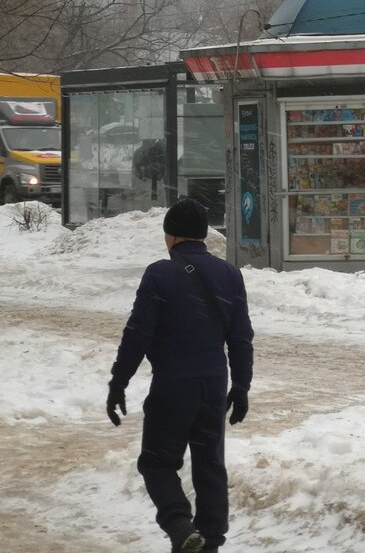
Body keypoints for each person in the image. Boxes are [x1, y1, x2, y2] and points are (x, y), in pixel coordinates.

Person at [106, 198, 254, 553]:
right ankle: (210, 542)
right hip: (214, 384)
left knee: (156, 463)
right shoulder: (229, 274)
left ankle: (179, 525)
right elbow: (241, 337)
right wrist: (242, 386)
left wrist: (119, 382)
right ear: (203, 236)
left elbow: (137, 334)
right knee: (210, 466)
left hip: (173, 384)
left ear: (170, 236)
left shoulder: (160, 273)